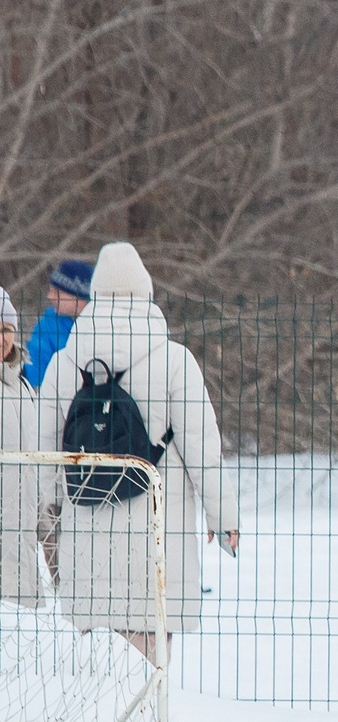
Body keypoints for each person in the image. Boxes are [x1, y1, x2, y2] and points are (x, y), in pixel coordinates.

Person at [48, 242, 239, 661]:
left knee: (93, 669)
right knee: (150, 664)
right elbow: (203, 447)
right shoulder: (175, 362)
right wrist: (224, 520)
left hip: (87, 531)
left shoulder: (64, 364)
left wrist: (43, 511)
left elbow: (43, 450)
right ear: (146, 293)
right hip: (156, 534)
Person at [2, 289, 64, 606]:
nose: (2, 337)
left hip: (22, 551)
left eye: (6, 329)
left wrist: (44, 524)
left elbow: (31, 462)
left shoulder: (26, 388)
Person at [22, 258, 90, 390]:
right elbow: (34, 367)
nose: (50, 296)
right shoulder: (49, 324)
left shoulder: (104, 323)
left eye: (57, 292)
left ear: (79, 296)